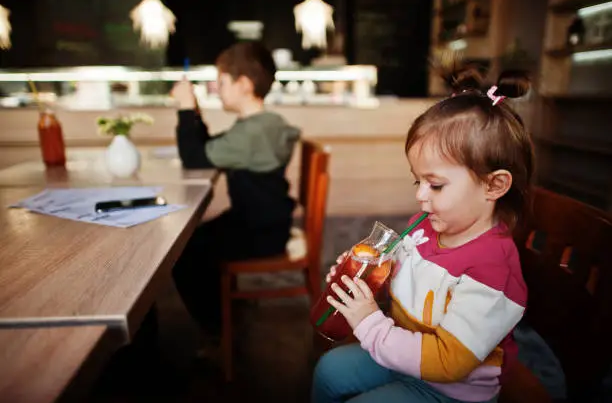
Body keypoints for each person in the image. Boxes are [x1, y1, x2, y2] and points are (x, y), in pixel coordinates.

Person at [311, 67, 534, 403]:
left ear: (493, 185)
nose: (420, 195)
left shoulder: (492, 269)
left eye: (436, 184)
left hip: (452, 388)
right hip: (402, 348)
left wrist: (369, 321)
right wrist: (365, 283)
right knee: (328, 369)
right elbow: (400, 276)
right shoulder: (425, 227)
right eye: (419, 181)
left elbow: (448, 363)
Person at [170, 41, 301, 331]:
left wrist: (184, 108)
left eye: (222, 81)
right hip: (263, 222)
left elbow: (194, 157)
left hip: (259, 231)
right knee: (190, 242)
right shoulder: (259, 125)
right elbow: (208, 150)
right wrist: (194, 112)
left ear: (243, 84)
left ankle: (219, 330)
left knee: (182, 254)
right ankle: (226, 311)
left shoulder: (253, 132)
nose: (216, 88)